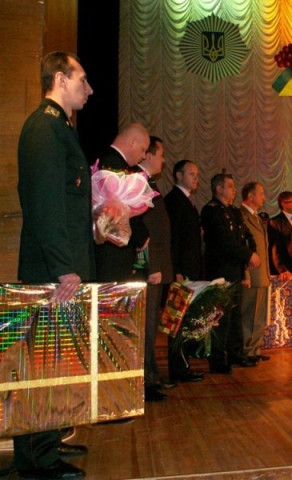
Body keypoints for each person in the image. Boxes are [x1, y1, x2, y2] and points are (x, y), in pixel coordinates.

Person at [15, 50, 93, 480]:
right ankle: (37, 459)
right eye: (82, 79)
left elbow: (67, 205)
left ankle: (48, 439)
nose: (89, 89)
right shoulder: (44, 128)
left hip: (61, 269)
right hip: (51, 273)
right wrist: (64, 266)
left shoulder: (59, 127)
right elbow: (44, 204)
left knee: (56, 362)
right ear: (61, 79)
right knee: (43, 364)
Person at [137, 136, 184, 402]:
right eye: (161, 154)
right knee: (146, 327)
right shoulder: (138, 183)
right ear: (147, 155)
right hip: (150, 267)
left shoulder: (149, 184)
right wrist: (152, 265)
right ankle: (145, 381)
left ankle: (152, 376)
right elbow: (144, 229)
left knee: (152, 325)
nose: (163, 160)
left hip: (158, 266)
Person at [201, 173, 261, 371]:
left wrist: (251, 253)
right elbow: (224, 241)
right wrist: (248, 255)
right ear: (219, 188)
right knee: (220, 317)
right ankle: (217, 359)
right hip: (219, 270)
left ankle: (236, 354)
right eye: (230, 187)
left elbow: (246, 235)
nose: (234, 190)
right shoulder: (211, 211)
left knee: (235, 315)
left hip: (235, 269)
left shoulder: (234, 211)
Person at [164, 159, 206, 382]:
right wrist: (176, 269)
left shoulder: (188, 201)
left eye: (197, 174)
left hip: (190, 269)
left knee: (186, 320)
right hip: (180, 271)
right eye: (191, 174)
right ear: (178, 175)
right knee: (177, 321)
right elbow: (173, 239)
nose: (196, 178)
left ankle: (183, 364)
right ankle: (178, 368)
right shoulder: (174, 200)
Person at [94, 123, 150, 282]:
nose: (144, 156)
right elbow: (119, 208)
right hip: (112, 253)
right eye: (143, 149)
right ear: (132, 142)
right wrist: (142, 236)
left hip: (113, 250)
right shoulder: (112, 162)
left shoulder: (112, 160)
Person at [239, 182, 271, 362]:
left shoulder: (256, 217)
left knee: (259, 315)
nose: (263, 197)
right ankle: (247, 349)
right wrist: (245, 273)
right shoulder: (241, 216)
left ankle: (255, 348)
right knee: (248, 314)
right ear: (250, 196)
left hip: (261, 274)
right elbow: (243, 247)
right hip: (251, 273)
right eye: (260, 193)